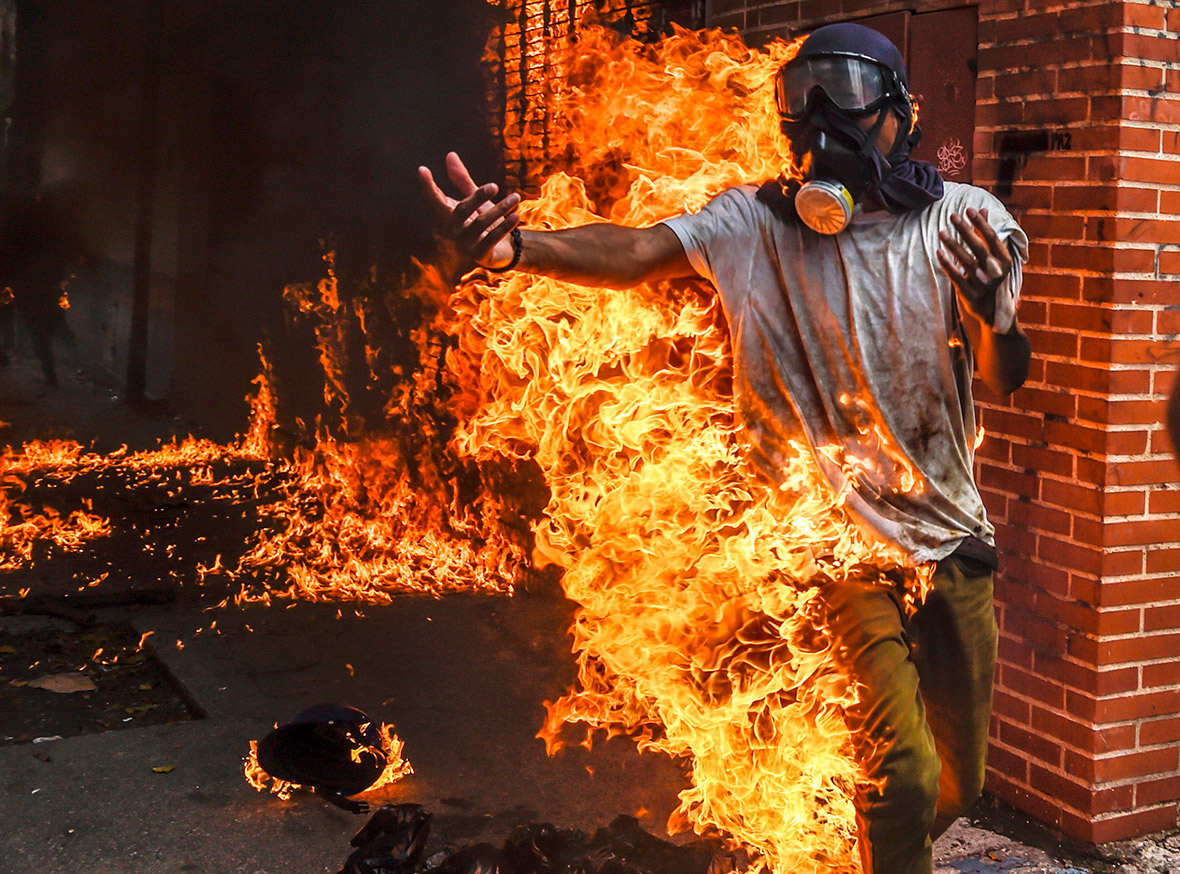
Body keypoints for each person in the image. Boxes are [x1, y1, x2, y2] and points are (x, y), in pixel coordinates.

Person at [420, 23, 1029, 874]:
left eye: (846, 91)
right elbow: (632, 250)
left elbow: (1005, 377)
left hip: (954, 542)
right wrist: (515, 248)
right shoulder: (751, 224)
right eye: (801, 96)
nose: (821, 118)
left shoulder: (963, 224)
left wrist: (997, 315)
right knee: (902, 770)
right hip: (836, 546)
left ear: (899, 114)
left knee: (955, 789)